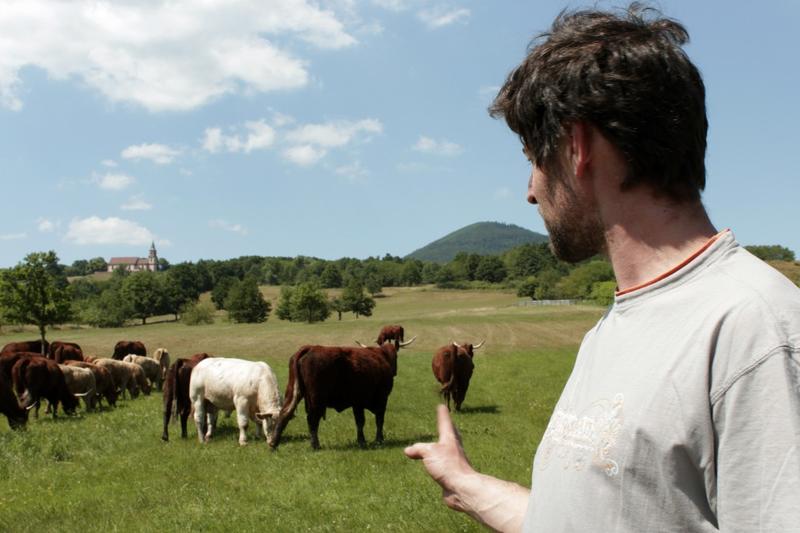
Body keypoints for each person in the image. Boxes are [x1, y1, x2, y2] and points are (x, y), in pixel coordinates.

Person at [404, 4, 800, 532]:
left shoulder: (758, 335)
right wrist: (467, 483)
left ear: (577, 146)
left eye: (532, 158)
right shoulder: (616, 327)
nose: (529, 190)